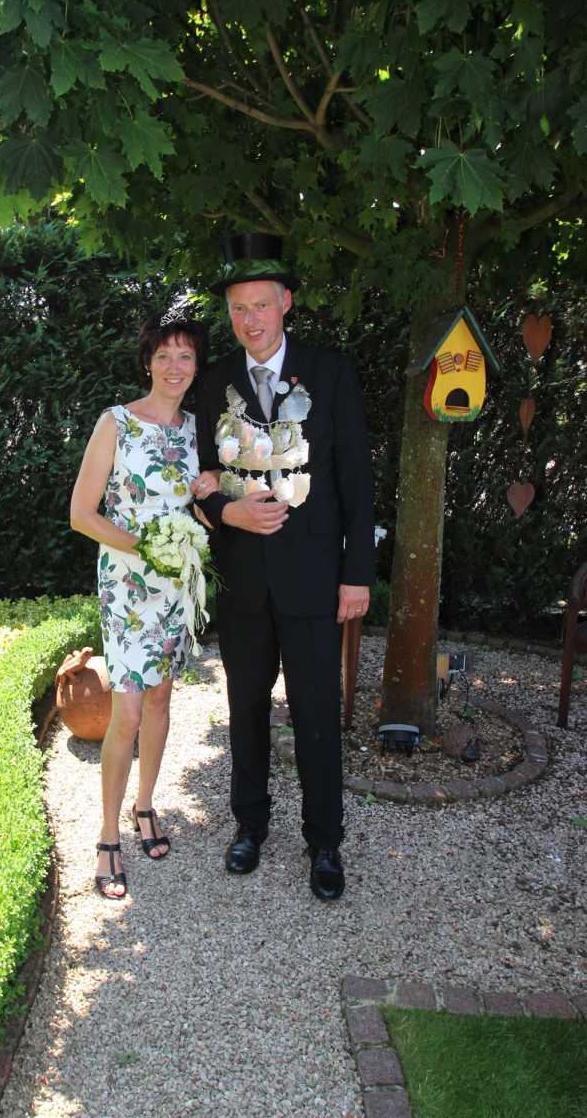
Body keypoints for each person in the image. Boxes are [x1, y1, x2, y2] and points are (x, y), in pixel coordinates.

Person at [194, 233, 375, 902]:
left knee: (316, 713)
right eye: (239, 308)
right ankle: (249, 825)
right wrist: (227, 513)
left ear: (286, 303)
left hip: (314, 579)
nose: (251, 320)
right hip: (243, 579)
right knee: (244, 710)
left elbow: (356, 479)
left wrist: (358, 574)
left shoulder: (329, 372)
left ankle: (325, 841)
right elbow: (198, 478)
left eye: (262, 305)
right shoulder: (213, 381)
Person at [70, 318, 213, 899]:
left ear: (196, 367)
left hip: (177, 585)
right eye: (164, 356)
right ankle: (107, 836)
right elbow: (82, 514)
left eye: (186, 357)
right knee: (125, 713)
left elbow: (201, 507)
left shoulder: (199, 430)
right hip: (128, 587)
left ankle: (146, 805)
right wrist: (145, 549)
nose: (175, 367)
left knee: (159, 699)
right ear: (147, 363)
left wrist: (207, 500)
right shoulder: (116, 423)